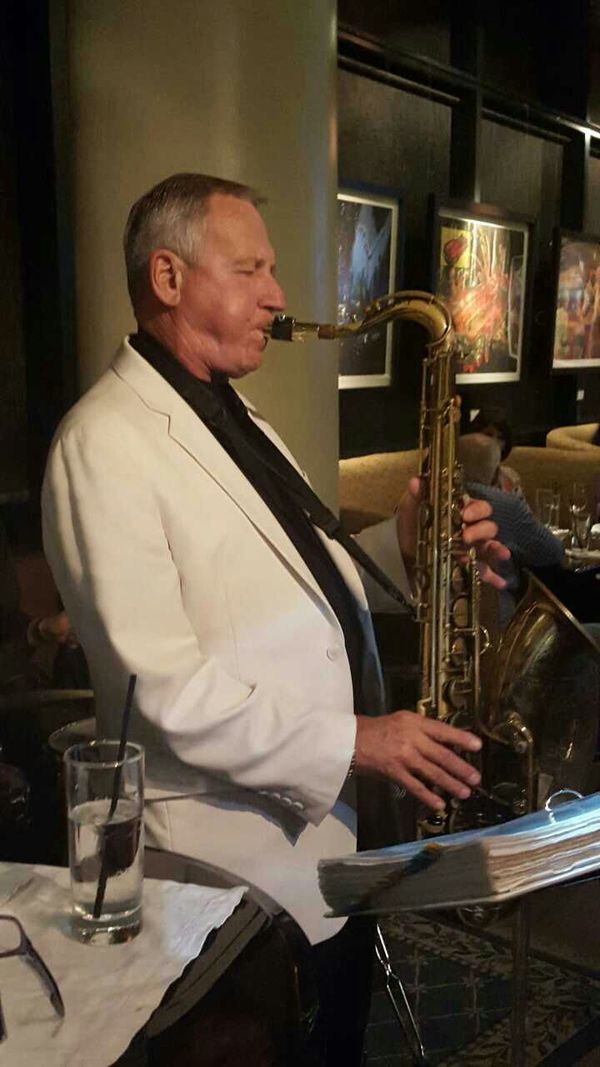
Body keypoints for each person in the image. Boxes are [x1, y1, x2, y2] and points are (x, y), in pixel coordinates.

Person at [42, 174, 508, 1063]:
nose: (277, 294)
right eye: (250, 269)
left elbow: (300, 584)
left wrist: (412, 544)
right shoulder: (101, 443)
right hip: (224, 886)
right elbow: (163, 693)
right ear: (168, 277)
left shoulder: (237, 415)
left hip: (326, 855)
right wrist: (357, 741)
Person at [457, 433, 565, 627]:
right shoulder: (507, 504)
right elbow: (553, 553)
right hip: (500, 624)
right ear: (496, 472)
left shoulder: (438, 503)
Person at [469, 407, 523, 497]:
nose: (494, 442)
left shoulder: (511, 478)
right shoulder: (466, 477)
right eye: (488, 435)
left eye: (500, 438)